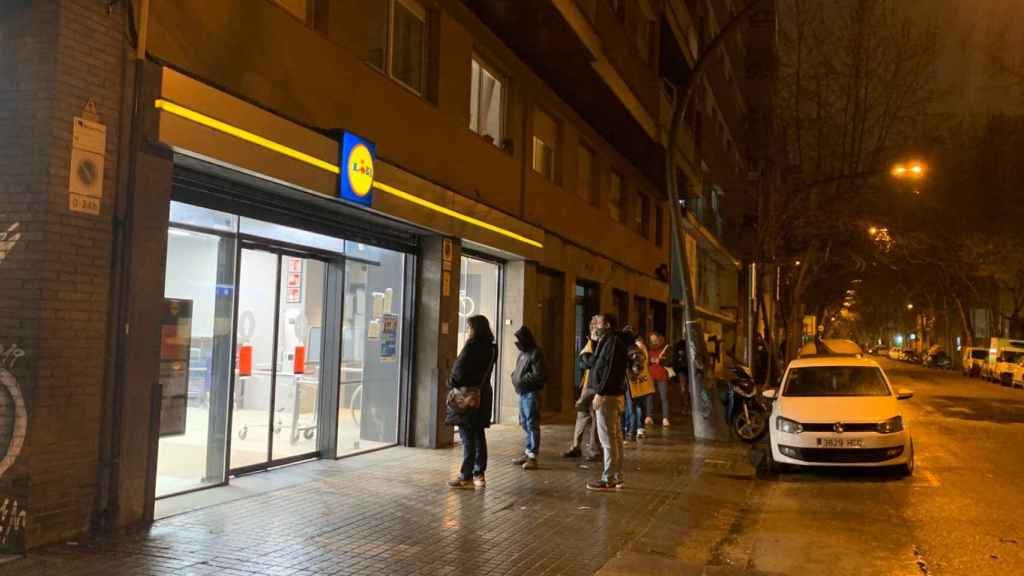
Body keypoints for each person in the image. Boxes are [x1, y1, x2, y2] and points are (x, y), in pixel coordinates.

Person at [445, 315, 496, 489]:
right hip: (482, 395)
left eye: (469, 327)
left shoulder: (471, 347)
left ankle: (465, 476)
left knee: (467, 436)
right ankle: (479, 473)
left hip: (467, 396)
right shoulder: (491, 348)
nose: (468, 331)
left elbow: (458, 372)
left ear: (475, 329)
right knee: (479, 434)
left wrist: (451, 383)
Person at [586, 314, 629, 492]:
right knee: (615, 437)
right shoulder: (609, 341)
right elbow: (598, 364)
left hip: (608, 396)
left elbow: (609, 369)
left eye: (599, 322)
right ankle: (616, 476)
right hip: (612, 395)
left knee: (608, 439)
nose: (595, 325)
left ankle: (609, 478)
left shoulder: (612, 342)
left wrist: (600, 392)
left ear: (608, 325)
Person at [563, 322, 601, 461]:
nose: (593, 333)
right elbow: (583, 362)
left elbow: (591, 362)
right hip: (587, 386)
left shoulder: (603, 345)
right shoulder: (590, 344)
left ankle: (594, 451)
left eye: (595, 330)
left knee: (596, 419)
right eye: (592, 329)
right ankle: (575, 447)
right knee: (582, 416)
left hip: (597, 387)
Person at [511, 326, 546, 470]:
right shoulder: (523, 353)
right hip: (522, 392)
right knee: (525, 422)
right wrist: (514, 377)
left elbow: (539, 375)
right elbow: (517, 370)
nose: (517, 342)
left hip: (531, 393)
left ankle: (532, 455)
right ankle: (528, 451)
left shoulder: (536, 353)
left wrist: (521, 379)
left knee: (532, 423)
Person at [623, 327, 654, 441]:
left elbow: (637, 366)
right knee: (638, 406)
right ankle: (637, 429)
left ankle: (632, 430)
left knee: (632, 407)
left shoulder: (634, 348)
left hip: (635, 383)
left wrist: (631, 373)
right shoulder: (640, 347)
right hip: (642, 382)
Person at [645, 332, 672, 427]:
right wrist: (650, 360)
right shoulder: (647, 350)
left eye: (655, 339)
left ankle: (665, 418)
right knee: (649, 397)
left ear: (659, 339)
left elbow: (669, 361)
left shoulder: (665, 350)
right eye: (652, 340)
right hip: (650, 376)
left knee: (664, 397)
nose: (654, 342)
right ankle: (648, 416)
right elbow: (644, 361)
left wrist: (661, 360)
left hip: (662, 376)